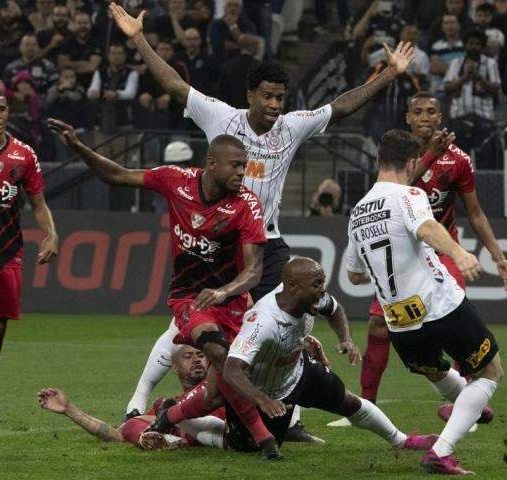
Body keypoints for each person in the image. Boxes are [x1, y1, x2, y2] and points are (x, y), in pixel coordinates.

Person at [107, 2, 415, 440]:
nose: (274, 105)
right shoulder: (221, 117)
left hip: (267, 245)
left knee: (298, 317)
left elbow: (341, 106)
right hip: (222, 244)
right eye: (267, 97)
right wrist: (138, 38)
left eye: (280, 98)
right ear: (250, 96)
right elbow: (174, 84)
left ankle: (290, 419)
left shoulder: (292, 127)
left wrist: (388, 74)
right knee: (189, 322)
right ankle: (139, 399)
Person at [47, 118, 280, 459]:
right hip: (189, 296)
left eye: (244, 166)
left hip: (229, 300)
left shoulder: (247, 205)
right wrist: (79, 147)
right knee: (217, 353)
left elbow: (255, 272)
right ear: (211, 163)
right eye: (235, 165)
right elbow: (117, 175)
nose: (241, 173)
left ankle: (170, 418)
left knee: (221, 388)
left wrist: (224, 290)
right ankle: (266, 442)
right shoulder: (176, 180)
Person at [330, 91, 507, 425]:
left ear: (440, 117)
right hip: (402, 251)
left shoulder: (458, 159)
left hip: (441, 248)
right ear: (407, 117)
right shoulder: (397, 154)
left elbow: (475, 214)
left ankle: (465, 402)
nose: (424, 117)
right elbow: (401, 188)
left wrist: (498, 256)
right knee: (379, 324)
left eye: (431, 112)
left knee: (452, 317)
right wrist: (430, 156)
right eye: (417, 111)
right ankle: (365, 405)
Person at [150, 257, 438, 455]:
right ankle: (171, 413)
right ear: (292, 286)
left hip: (298, 373)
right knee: (241, 445)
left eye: (322, 282)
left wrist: (346, 339)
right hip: (263, 392)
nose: (322, 290)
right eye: (316, 285)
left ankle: (402, 440)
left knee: (348, 401)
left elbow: (334, 309)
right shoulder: (262, 322)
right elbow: (233, 370)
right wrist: (263, 400)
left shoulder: (312, 297)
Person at [346, 129, 504, 475]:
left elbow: (354, 275)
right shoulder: (410, 194)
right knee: (491, 371)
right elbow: (426, 227)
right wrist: (459, 253)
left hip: (399, 322)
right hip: (439, 304)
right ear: (413, 162)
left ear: (377, 162)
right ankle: (442, 451)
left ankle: (465, 403)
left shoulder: (357, 212)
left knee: (436, 370)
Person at [0, 87, 58, 424]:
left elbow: (38, 202)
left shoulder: (24, 155)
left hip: (9, 252)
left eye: (2, 109)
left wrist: (52, 233)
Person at [38, 344, 227, 451]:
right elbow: (118, 435)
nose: (196, 359)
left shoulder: (221, 384)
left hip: (229, 431)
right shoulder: (173, 402)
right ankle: (163, 441)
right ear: (174, 367)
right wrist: (69, 409)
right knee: (131, 424)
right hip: (196, 431)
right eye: (188, 356)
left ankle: (170, 438)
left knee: (162, 405)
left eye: (201, 355)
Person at [444, 29, 501, 169]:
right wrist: (465, 77)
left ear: (482, 46)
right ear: (465, 45)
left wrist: (478, 76)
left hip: (484, 117)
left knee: (485, 159)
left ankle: (486, 188)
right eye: (470, 43)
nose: (473, 47)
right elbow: (447, 88)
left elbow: (495, 90)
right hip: (459, 116)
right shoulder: (456, 63)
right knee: (459, 161)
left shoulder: (490, 63)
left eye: (477, 44)